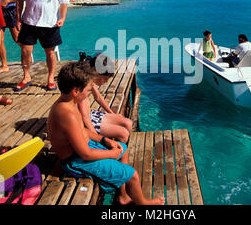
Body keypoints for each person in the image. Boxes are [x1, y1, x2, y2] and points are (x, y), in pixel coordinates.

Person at [47, 62, 165, 205]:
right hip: (77, 161)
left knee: (123, 149)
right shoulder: (66, 114)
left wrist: (104, 140)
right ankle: (143, 203)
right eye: (89, 90)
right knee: (133, 175)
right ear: (76, 91)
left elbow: (82, 130)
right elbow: (85, 154)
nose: (90, 93)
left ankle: (123, 196)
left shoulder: (69, 104)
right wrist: (112, 154)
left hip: (84, 151)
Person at [15, 0, 69, 92]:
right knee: (26, 51)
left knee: (50, 52)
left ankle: (50, 79)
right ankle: (26, 77)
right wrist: (18, 19)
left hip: (50, 24)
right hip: (29, 22)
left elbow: (64, 2)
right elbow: (19, 0)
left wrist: (62, 18)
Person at [78, 52, 133, 143]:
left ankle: (119, 151)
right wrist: (96, 138)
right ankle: (116, 154)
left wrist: (112, 113)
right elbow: (84, 117)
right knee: (123, 133)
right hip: (84, 122)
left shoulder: (90, 78)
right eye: (105, 79)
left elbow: (98, 97)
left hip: (92, 115)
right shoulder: (83, 85)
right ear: (98, 73)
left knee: (128, 123)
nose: (106, 82)